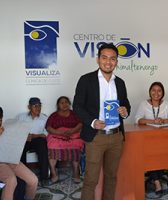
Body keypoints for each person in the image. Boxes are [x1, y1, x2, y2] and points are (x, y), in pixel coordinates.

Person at [73, 42, 131, 200]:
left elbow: (126, 103)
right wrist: (92, 122)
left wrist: (125, 111)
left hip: (117, 137)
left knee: (111, 177)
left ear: (116, 62)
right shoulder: (86, 80)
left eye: (113, 59)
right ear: (98, 59)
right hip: (95, 137)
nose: (108, 61)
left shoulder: (120, 82)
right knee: (91, 180)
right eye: (104, 57)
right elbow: (77, 106)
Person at [0, 103, 38, 200]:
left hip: (10, 158)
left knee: (33, 180)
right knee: (11, 180)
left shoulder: (1, 128)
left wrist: (21, 136)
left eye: (0, 120)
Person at [135, 81, 168, 195]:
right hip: (147, 140)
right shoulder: (144, 104)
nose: (156, 93)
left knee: (158, 154)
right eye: (153, 90)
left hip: (162, 139)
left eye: (159, 90)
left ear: (162, 93)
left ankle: (156, 177)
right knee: (152, 155)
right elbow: (138, 119)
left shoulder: (166, 104)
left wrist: (163, 120)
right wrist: (153, 121)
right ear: (150, 92)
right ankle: (157, 182)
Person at [46, 96, 84, 184]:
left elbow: (80, 124)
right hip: (57, 135)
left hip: (73, 135)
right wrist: (60, 133)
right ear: (58, 105)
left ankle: (76, 171)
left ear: (69, 104)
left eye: (66, 102)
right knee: (52, 144)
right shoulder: (54, 115)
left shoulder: (74, 114)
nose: (64, 104)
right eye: (62, 103)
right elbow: (48, 128)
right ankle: (54, 173)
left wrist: (71, 131)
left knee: (77, 144)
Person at [17, 97, 49, 185]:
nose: (38, 108)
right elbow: (16, 130)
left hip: (38, 139)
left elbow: (45, 134)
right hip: (23, 139)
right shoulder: (21, 117)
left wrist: (34, 136)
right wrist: (24, 136)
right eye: (35, 106)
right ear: (29, 107)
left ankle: (44, 177)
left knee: (43, 147)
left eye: (39, 106)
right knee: (19, 149)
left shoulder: (44, 118)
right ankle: (21, 176)